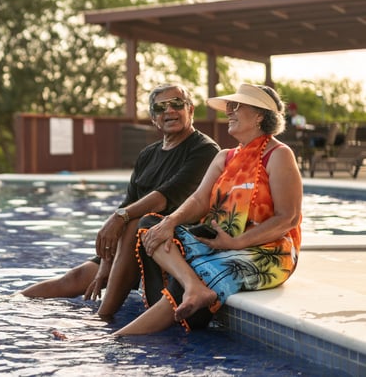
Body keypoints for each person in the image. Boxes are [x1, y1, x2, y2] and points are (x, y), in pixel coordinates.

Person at [114, 83, 302, 335]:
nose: (229, 112)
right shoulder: (225, 156)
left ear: (259, 114)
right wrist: (169, 222)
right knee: (151, 226)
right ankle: (193, 286)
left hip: (268, 251)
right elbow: (199, 200)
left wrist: (237, 243)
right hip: (221, 241)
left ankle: (118, 340)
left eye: (237, 106)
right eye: (229, 106)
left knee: (204, 272)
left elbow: (287, 218)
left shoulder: (279, 154)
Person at [19, 84, 220, 319]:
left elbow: (163, 198)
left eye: (177, 104)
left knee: (134, 223)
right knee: (75, 278)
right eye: (160, 107)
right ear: (153, 117)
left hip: (170, 241)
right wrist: (106, 262)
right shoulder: (148, 155)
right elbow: (128, 203)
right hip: (135, 241)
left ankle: (102, 319)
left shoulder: (204, 149)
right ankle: (5, 302)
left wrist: (119, 217)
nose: (170, 111)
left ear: (190, 110)